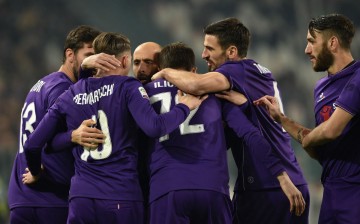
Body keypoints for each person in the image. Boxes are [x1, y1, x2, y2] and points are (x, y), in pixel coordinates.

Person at [22, 32, 205, 224]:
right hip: (121, 196)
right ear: (126, 60)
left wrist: (37, 170)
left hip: (81, 200)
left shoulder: (70, 93)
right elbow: (154, 127)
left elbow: (33, 144)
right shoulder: (128, 86)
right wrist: (184, 107)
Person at [152, 18, 309, 223]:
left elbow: (197, 86)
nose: (204, 54)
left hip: (267, 184)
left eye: (209, 48)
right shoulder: (259, 73)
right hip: (288, 179)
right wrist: (246, 106)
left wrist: (164, 72)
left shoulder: (235, 71)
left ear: (231, 52)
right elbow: (252, 124)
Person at [254, 13, 360, 224]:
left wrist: (309, 140)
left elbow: (330, 131)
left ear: (332, 42)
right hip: (331, 191)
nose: (307, 49)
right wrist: (280, 118)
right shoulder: (320, 88)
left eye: (312, 42)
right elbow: (318, 147)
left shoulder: (358, 78)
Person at [7, 25, 104, 224]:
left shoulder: (41, 84)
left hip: (22, 198)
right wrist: (73, 136)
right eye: (89, 55)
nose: (93, 63)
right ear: (70, 54)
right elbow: (44, 139)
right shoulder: (64, 89)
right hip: (50, 198)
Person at [145, 42, 232, 223]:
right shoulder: (215, 91)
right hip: (212, 186)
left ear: (160, 68)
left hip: (168, 186)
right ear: (193, 70)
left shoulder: (143, 93)